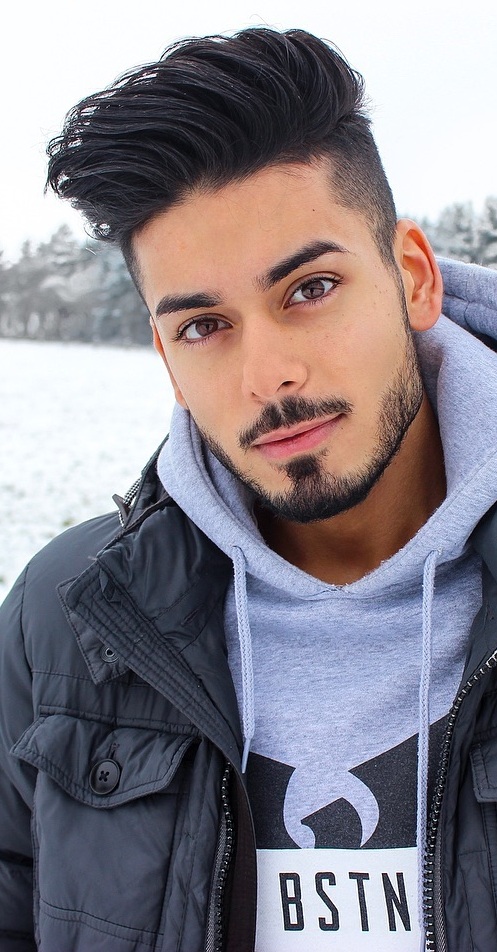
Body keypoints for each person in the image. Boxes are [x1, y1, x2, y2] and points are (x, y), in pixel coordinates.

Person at [1, 26, 497, 952]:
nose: (267, 376)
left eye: (309, 288)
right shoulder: (63, 621)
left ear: (413, 277)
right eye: (203, 326)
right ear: (165, 355)